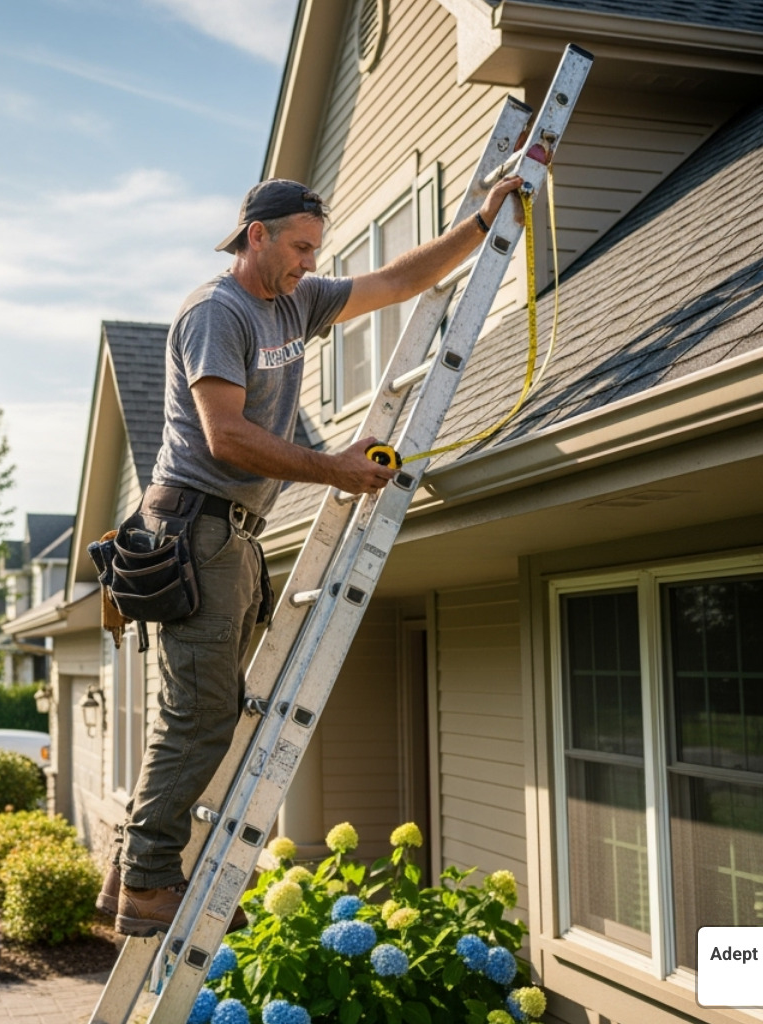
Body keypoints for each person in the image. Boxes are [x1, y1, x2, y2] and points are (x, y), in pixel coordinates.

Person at [103, 172, 525, 937]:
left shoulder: (297, 302)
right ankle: (147, 882)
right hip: (192, 528)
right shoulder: (216, 311)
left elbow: (398, 280)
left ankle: (136, 867)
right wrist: (335, 466)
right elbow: (223, 435)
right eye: (298, 247)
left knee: (207, 709)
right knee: (200, 710)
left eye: (315, 250)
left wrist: (478, 224)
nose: (307, 262)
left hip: (233, 534)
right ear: (254, 235)